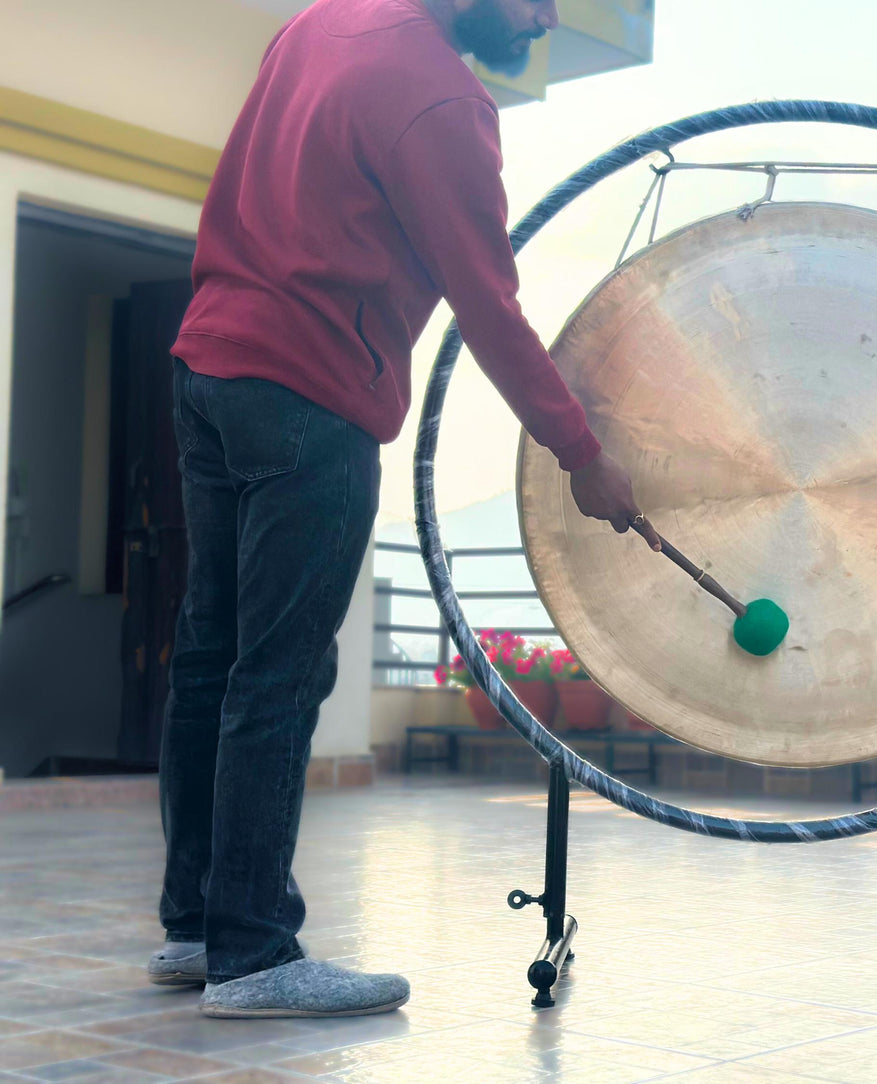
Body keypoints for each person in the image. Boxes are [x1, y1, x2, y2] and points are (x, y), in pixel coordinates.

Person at [148, 0, 662, 1019]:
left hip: (208, 367)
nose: (547, 17)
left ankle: (195, 928)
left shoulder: (316, 25)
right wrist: (582, 453)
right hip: (307, 395)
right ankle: (252, 951)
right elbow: (487, 304)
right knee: (277, 672)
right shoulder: (442, 100)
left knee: (211, 654)